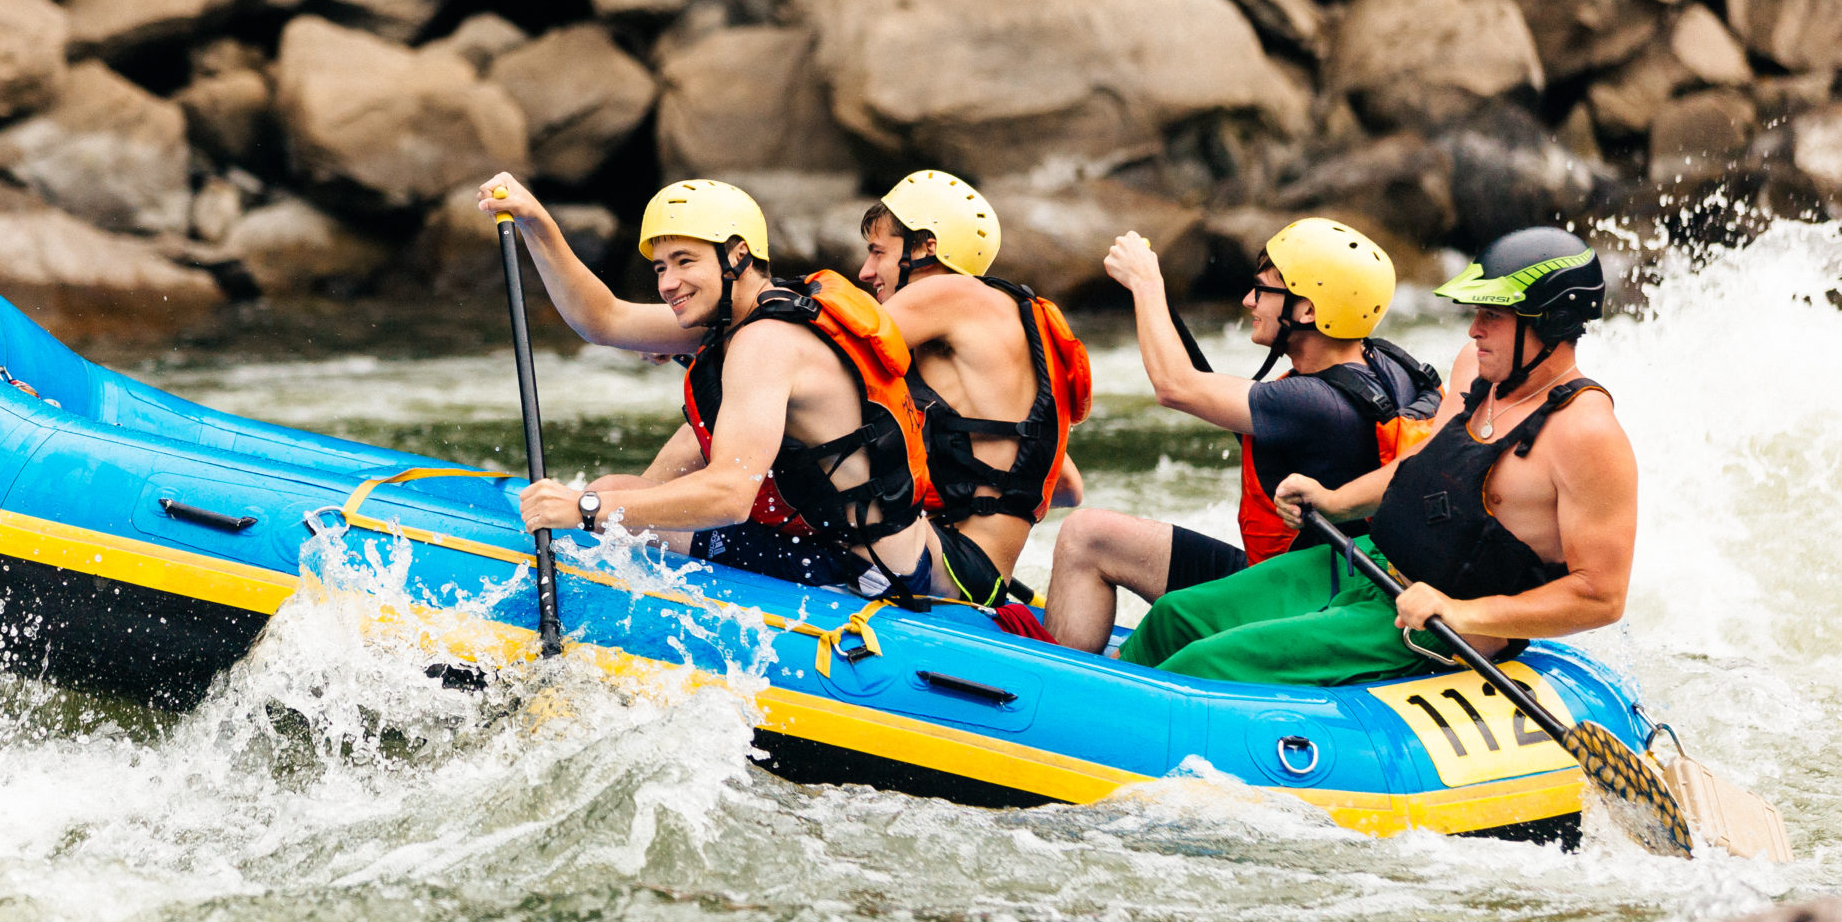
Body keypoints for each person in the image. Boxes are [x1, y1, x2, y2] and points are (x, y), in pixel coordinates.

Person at [1117, 227, 1634, 684]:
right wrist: (1335, 500)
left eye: (1492, 316)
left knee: (1204, 663)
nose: (1473, 329)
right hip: (1370, 563)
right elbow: (1426, 461)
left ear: (1551, 322)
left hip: (1434, 626)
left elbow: (1600, 596)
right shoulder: (1479, 371)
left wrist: (1460, 613)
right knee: (1176, 617)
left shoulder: (1586, 434)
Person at [478, 173, 939, 596]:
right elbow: (603, 319)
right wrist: (534, 221)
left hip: (862, 571)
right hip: (867, 551)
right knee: (622, 491)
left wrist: (584, 507)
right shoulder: (748, 314)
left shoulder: (765, 341)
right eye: (661, 268)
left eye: (684, 261)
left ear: (737, 255)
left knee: (613, 503)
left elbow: (729, 496)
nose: (668, 283)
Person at [1042, 217, 1441, 654]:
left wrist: (1145, 282)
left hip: (1296, 604)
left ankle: (1053, 683)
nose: (1249, 300)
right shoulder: (1389, 365)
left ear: (1308, 311)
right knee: (1093, 533)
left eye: (1263, 290)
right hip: (1323, 582)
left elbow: (1175, 386)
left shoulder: (1312, 403)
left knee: (1084, 538)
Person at [854, 171, 1090, 617]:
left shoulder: (951, 292)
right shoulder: (991, 327)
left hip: (953, 566)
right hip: (980, 574)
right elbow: (1067, 486)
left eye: (878, 252)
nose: (866, 271)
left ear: (925, 247)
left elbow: (827, 351)